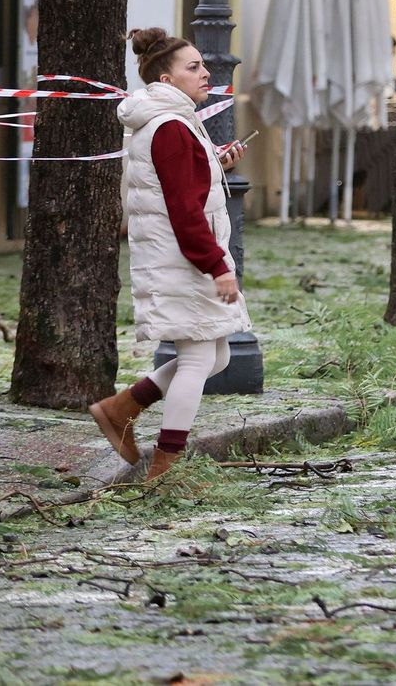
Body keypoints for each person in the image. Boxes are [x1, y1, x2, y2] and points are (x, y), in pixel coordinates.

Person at [88, 27, 250, 480]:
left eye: (203, 64)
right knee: (198, 360)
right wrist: (216, 266)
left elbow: (178, 184)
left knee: (217, 357)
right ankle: (165, 468)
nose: (206, 73)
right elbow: (183, 208)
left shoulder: (172, 121)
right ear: (167, 78)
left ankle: (122, 407)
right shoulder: (171, 126)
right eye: (194, 67)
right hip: (182, 258)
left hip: (180, 255)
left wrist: (215, 162)